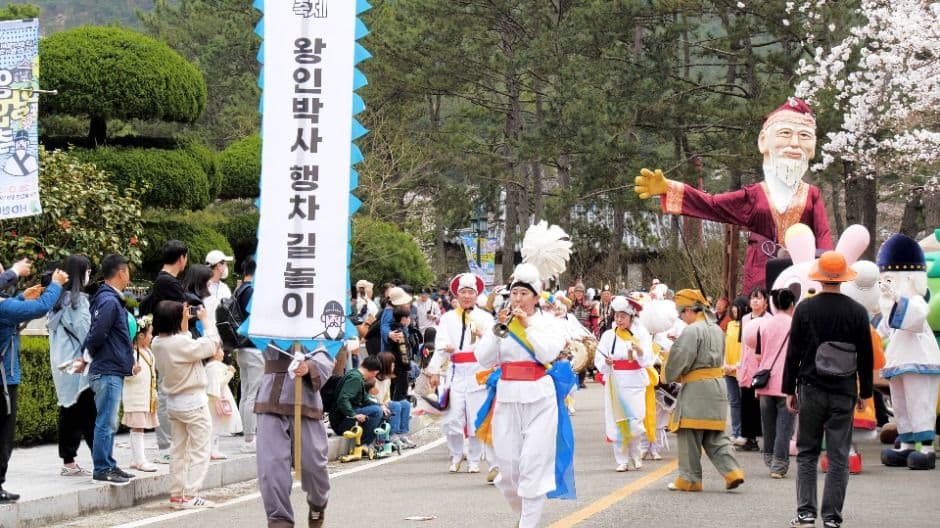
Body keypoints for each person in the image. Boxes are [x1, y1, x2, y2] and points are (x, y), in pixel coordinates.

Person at [635, 98, 833, 292]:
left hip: (802, 275)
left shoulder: (811, 194)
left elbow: (823, 235)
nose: (795, 144)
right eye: (785, 134)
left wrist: (829, 274)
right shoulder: (755, 194)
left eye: (805, 136)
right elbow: (712, 205)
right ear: (764, 141)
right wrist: (669, 189)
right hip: (762, 277)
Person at [475, 260, 572, 528]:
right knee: (508, 471)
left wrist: (527, 324)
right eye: (514, 293)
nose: (517, 298)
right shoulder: (502, 325)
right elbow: (483, 359)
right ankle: (525, 515)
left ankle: (528, 523)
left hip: (540, 398)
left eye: (523, 293)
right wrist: (497, 329)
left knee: (533, 464)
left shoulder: (548, 323)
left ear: (536, 297)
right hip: (506, 398)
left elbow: (548, 353)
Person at [783, 251, 873, 528]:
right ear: (844, 279)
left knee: (808, 451)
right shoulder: (858, 312)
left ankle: (806, 513)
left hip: (811, 387)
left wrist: (789, 390)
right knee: (838, 454)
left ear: (819, 278)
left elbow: (793, 353)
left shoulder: (805, 309)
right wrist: (865, 392)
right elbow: (866, 356)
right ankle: (832, 517)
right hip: (844, 389)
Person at [662, 289, 744, 492]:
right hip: (717, 385)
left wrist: (667, 368)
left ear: (689, 310)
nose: (682, 317)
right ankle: (732, 472)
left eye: (682, 313)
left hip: (697, 388)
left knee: (689, 432)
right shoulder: (716, 329)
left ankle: (689, 478)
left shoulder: (692, 331)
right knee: (714, 435)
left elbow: (680, 360)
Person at [254, 340, 336, 528]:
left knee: (313, 464)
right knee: (271, 465)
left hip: (306, 398)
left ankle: (318, 503)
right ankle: (279, 519)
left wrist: (310, 366)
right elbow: (253, 335)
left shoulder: (315, 319)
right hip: (271, 398)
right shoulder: (266, 316)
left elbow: (327, 351)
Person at [0, 265, 66, 500]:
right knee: (3, 435)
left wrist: (21, 296)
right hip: (4, 381)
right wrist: (56, 284)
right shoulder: (3, 306)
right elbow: (40, 308)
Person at [151, 300, 224, 509]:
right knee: (200, 450)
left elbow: (183, 340)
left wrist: (182, 321)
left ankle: (176, 495)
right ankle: (191, 495)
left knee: (178, 451)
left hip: (174, 404)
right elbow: (211, 345)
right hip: (193, 403)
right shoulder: (180, 344)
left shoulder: (158, 342)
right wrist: (206, 320)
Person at [428, 272, 495, 476]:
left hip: (478, 372)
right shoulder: (447, 318)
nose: (466, 296)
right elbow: (439, 343)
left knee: (476, 419)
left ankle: (474, 459)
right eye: (463, 292)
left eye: (470, 292)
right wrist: (435, 369)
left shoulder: (485, 318)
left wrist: (484, 338)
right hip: (455, 372)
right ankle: (456, 454)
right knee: (452, 417)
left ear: (476, 296)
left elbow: (494, 344)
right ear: (457, 296)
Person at [83, 254, 136, 486]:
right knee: (106, 420)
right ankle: (102, 467)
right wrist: (89, 356)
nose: (129, 276)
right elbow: (97, 334)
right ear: (121, 272)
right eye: (128, 271)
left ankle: (109, 463)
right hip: (107, 369)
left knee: (109, 420)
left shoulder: (107, 299)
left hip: (109, 367)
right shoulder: (109, 301)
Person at [46, 254, 96, 477]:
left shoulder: (56, 302)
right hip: (78, 364)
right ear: (80, 273)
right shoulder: (78, 302)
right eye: (87, 271)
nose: (90, 275)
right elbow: (87, 333)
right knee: (90, 413)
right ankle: (102, 460)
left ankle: (68, 461)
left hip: (61, 364)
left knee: (69, 410)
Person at [595, 296, 655, 472]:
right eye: (617, 316)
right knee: (617, 421)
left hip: (635, 381)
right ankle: (621, 459)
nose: (619, 319)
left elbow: (648, 359)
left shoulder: (641, 334)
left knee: (635, 420)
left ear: (631, 317)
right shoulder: (608, 335)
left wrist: (640, 351)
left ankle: (635, 454)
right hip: (616, 382)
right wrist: (606, 362)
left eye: (623, 316)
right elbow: (599, 359)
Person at [143, 240, 189, 464]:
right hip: (167, 340)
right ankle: (166, 446)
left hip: (167, 340)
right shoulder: (168, 282)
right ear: (182, 258)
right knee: (165, 394)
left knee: (168, 392)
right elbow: (182, 310)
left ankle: (172, 444)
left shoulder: (164, 280)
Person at [743, 289, 797, 478]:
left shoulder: (764, 325)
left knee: (769, 425)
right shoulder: (795, 325)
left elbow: (757, 355)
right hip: (786, 383)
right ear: (792, 305)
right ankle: (779, 465)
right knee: (785, 426)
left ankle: (769, 457)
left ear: (773, 304)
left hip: (764, 382)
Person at [121, 315, 159, 472]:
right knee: (138, 428)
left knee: (139, 427)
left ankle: (135, 458)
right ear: (141, 335)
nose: (152, 337)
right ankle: (140, 460)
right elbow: (123, 374)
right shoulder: (130, 353)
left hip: (146, 397)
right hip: (135, 398)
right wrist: (131, 371)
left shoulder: (148, 353)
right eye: (150, 334)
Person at [233, 257, 262, 454]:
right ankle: (250, 438)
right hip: (253, 347)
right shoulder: (251, 291)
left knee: (246, 392)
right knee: (253, 393)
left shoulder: (239, 289)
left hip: (241, 346)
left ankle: (247, 435)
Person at [737, 287, 770, 451]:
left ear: (766, 301)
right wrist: (740, 365)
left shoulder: (769, 319)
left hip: (761, 366)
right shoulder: (744, 319)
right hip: (746, 365)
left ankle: (765, 438)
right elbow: (743, 345)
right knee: (746, 403)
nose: (755, 301)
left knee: (762, 405)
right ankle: (749, 438)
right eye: (752, 298)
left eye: (759, 298)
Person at [328, 355, 384, 446]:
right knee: (376, 411)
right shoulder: (355, 378)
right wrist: (353, 415)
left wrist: (381, 405)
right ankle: (364, 444)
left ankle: (379, 443)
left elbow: (365, 399)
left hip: (346, 417)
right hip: (341, 421)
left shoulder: (357, 375)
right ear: (374, 372)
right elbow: (343, 399)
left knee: (381, 410)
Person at [375, 352, 415, 449]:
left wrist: (387, 402)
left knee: (405, 403)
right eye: (392, 364)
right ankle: (393, 436)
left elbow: (387, 397)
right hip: (376, 405)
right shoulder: (373, 380)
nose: (393, 366)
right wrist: (383, 404)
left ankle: (402, 434)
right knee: (396, 405)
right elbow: (371, 398)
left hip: (384, 404)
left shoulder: (387, 379)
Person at [723, 297, 749, 446]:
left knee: (744, 402)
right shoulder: (730, 324)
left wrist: (737, 365)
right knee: (733, 402)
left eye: (737, 307)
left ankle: (744, 432)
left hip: (741, 369)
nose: (734, 309)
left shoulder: (747, 325)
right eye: (733, 307)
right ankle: (735, 432)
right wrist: (726, 363)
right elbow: (727, 346)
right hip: (728, 369)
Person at [206, 354, 241, 460]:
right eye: (220, 349)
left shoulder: (211, 366)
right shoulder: (214, 367)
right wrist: (230, 373)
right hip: (215, 401)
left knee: (214, 425)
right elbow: (219, 385)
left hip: (213, 401)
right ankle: (213, 450)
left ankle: (212, 449)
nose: (223, 352)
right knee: (215, 426)